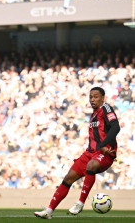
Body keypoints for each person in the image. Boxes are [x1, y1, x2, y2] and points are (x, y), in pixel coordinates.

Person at [34, 87, 120, 219]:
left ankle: (80, 203)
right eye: (91, 97)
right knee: (68, 177)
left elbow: (115, 127)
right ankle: (49, 211)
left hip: (105, 153)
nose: (92, 99)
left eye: (96, 96)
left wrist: (103, 145)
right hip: (89, 153)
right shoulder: (93, 114)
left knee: (91, 166)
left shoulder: (106, 108)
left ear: (103, 98)